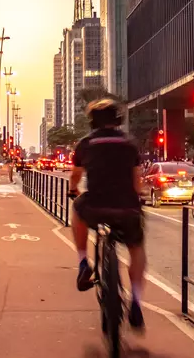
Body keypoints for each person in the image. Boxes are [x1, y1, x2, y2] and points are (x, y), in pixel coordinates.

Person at [69, 98, 146, 331]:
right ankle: (136, 302)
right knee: (136, 249)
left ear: (92, 122)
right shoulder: (129, 144)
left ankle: (83, 261)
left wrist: (74, 190)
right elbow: (137, 183)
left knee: (77, 210)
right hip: (126, 208)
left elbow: (75, 177)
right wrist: (137, 199)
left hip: (95, 205)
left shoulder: (86, 143)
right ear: (118, 120)